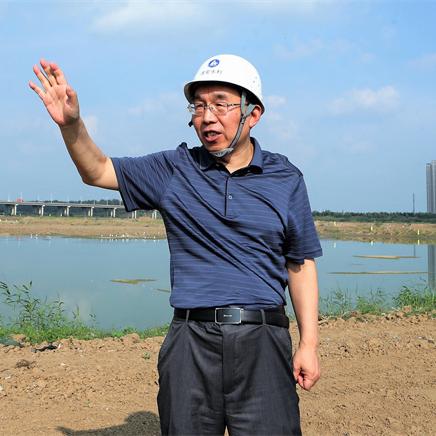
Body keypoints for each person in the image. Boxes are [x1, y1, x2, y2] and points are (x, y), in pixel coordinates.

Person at [30, 54, 322, 435]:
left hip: (263, 341)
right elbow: (98, 170)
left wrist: (309, 343)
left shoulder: (285, 178)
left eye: (220, 104)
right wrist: (72, 125)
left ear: (253, 113)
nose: (207, 117)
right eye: (199, 106)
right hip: (190, 343)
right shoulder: (174, 169)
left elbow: (300, 263)